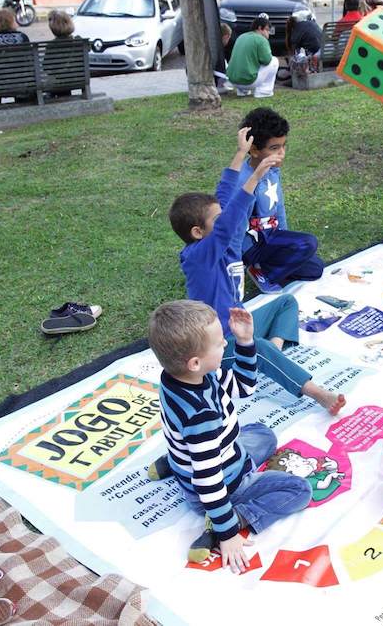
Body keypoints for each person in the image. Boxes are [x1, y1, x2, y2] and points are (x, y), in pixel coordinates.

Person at [166, 124, 345, 416]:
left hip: (239, 330)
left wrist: (239, 153)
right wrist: (257, 175)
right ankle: (317, 393)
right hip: (215, 347)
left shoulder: (222, 240)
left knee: (285, 302)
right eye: (218, 221)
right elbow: (231, 215)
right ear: (198, 232)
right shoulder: (200, 256)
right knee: (256, 347)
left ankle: (266, 352)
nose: (227, 221)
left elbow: (224, 196)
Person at [147, 300, 313, 567]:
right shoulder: (201, 416)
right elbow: (209, 481)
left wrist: (246, 341)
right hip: (219, 485)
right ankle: (232, 519)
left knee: (264, 434)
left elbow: (244, 387)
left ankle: (178, 461)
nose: (225, 344)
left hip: (216, 453)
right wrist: (228, 532)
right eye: (218, 342)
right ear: (194, 362)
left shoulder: (183, 376)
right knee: (299, 490)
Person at [233, 107, 325, 289]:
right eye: (274, 148)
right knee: (308, 243)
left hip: (271, 238)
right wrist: (236, 263)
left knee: (315, 268)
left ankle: (264, 266)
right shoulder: (244, 179)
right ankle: (266, 274)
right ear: (253, 150)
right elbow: (235, 226)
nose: (282, 153)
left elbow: (279, 209)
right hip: (251, 246)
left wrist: (286, 242)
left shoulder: (273, 171)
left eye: (284, 146)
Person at [225, 14, 279, 98]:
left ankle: (242, 91)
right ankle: (264, 91)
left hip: (232, 81)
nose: (268, 33)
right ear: (260, 28)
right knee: (274, 60)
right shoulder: (261, 39)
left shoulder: (241, 36)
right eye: (267, 30)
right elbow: (267, 60)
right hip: (249, 82)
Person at [43, 9, 79, 99]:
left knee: (56, 79)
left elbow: (46, 67)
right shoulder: (79, 41)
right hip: (78, 79)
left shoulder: (51, 45)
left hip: (58, 81)